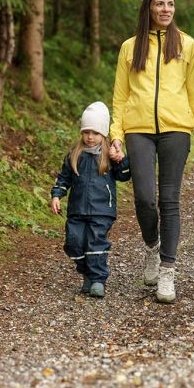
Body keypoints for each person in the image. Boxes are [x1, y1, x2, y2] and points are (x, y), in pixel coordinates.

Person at [110, 0, 194, 304]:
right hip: (137, 128)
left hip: (176, 130)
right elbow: (120, 96)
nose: (165, 9)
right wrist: (115, 134)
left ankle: (167, 270)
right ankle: (152, 247)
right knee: (144, 199)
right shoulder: (130, 47)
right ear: (149, 8)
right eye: (159, 4)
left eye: (170, 4)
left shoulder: (187, 45)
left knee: (170, 200)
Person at [50, 102, 132, 298]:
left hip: (102, 210)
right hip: (77, 210)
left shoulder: (109, 155)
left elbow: (124, 176)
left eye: (95, 133)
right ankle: (86, 273)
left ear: (103, 134)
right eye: (86, 132)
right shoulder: (74, 155)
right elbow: (64, 178)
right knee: (74, 243)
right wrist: (56, 195)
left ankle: (97, 280)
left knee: (96, 243)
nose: (90, 137)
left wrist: (121, 159)